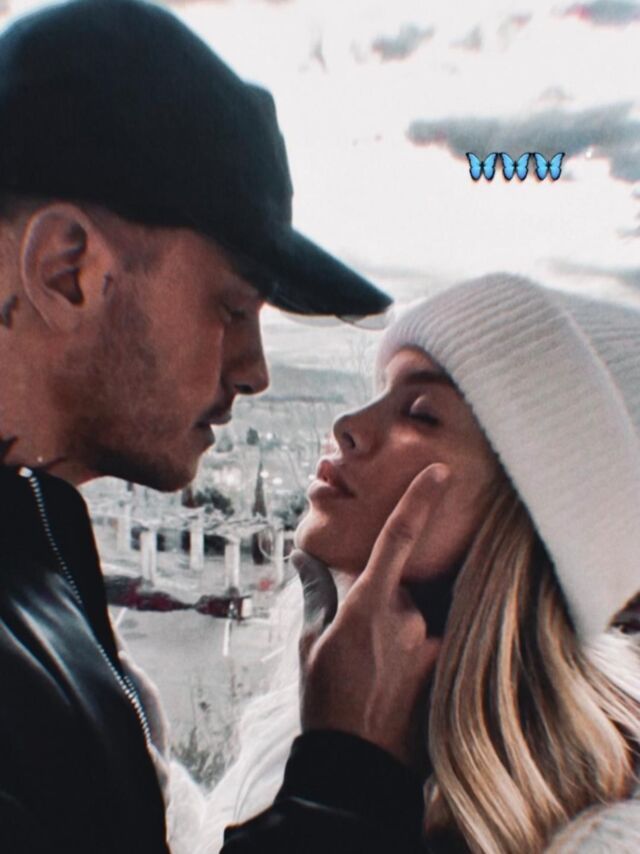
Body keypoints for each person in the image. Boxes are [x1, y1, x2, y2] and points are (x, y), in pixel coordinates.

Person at [0, 1, 443, 853]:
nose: (255, 369)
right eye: (233, 308)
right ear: (66, 269)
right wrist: (345, 781)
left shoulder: (36, 552)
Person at [203, 273, 640, 852]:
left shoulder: (605, 837)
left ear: (525, 518)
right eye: (381, 390)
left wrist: (342, 783)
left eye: (421, 413)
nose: (347, 426)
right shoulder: (299, 722)